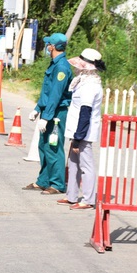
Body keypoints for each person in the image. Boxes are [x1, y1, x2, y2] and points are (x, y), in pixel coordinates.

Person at [23, 32, 73, 195]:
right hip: (48, 111)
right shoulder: (54, 64)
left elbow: (56, 95)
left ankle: (57, 183)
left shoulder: (61, 67)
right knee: (43, 146)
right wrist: (38, 109)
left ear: (52, 47)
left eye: (48, 44)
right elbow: (47, 91)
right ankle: (44, 180)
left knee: (53, 147)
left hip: (56, 113)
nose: (47, 47)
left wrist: (46, 117)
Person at [57, 48, 106, 209]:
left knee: (86, 166)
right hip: (76, 131)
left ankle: (88, 199)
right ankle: (71, 196)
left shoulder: (90, 86)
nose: (76, 67)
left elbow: (85, 113)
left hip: (83, 133)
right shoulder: (82, 82)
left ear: (86, 67)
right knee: (73, 164)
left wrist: (78, 138)